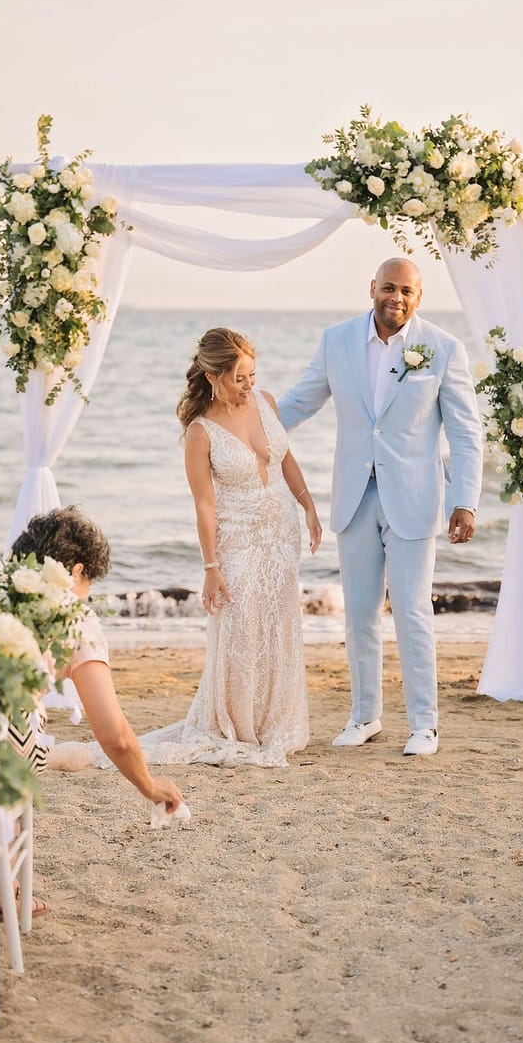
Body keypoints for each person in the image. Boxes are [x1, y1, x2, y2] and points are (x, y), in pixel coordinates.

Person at [277, 258, 483, 757]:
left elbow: (465, 429)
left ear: (419, 295)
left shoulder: (443, 348)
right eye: (389, 288)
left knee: (413, 612)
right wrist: (243, 423)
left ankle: (424, 726)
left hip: (414, 499)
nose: (397, 298)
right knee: (360, 615)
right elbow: (301, 402)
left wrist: (466, 502)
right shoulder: (337, 341)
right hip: (354, 496)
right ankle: (365, 716)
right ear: (372, 288)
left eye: (407, 291)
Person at [130, 327, 321, 768]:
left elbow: (285, 458)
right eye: (239, 378)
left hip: (281, 533)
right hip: (236, 539)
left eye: (252, 375)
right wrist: (211, 566)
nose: (249, 385)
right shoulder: (201, 432)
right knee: (240, 629)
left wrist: (308, 505)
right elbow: (204, 503)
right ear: (213, 377)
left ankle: (275, 721)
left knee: (278, 625)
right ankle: (236, 723)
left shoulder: (266, 402)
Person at [9, 508, 184, 811]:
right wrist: (150, 786)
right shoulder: (74, 616)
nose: (86, 598)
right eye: (88, 585)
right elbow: (114, 734)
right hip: (5, 758)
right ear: (76, 572)